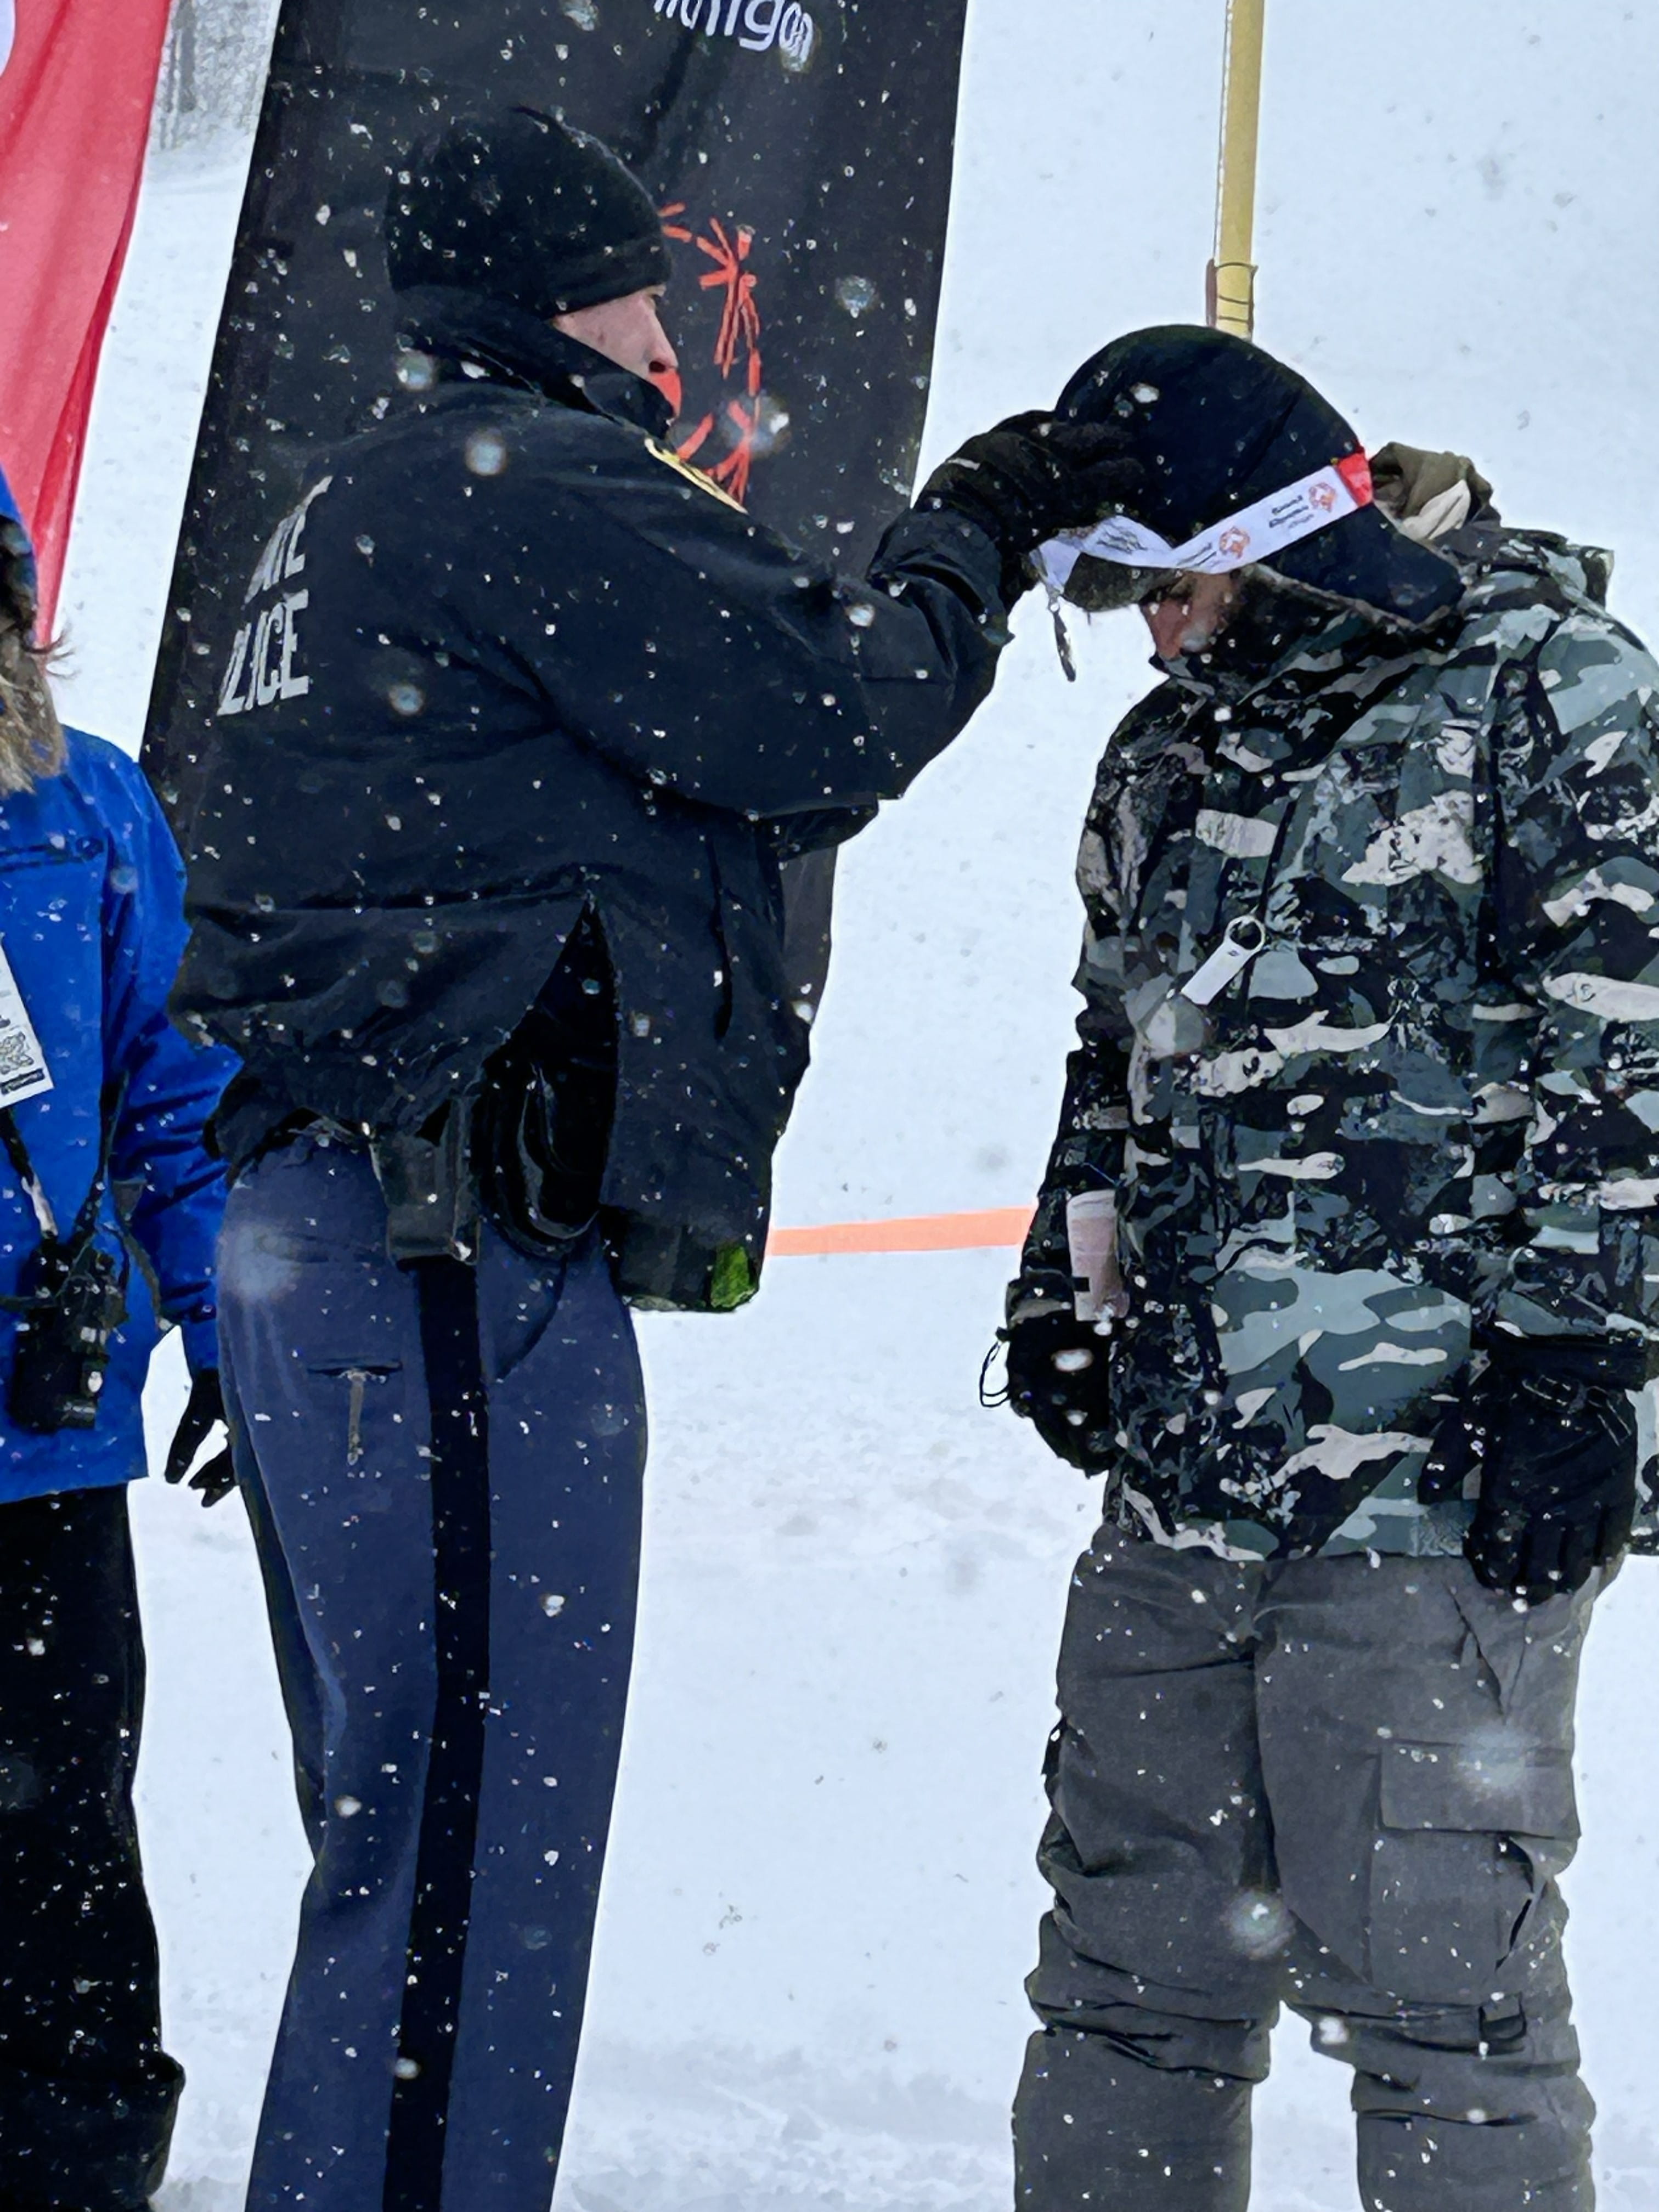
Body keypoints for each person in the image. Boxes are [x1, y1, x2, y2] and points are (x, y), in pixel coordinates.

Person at [171, 108, 1133, 2212]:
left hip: (342, 1230)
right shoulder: (531, 487)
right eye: (643, 284)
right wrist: (972, 526)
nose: (674, 323)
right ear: (557, 298)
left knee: (413, 1831)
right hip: (446, 1247)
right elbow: (823, 718)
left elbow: (256, 890)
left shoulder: (344, 506)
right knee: (465, 1856)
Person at [1000, 325, 1658, 2212]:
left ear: (1283, 534)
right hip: (1185, 1486)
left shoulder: (1555, 697)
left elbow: (1629, 1052)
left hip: (1442, 1491)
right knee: (1127, 1986)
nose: (1153, 635)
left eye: (1172, 582)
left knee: (1446, 2007)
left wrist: (1573, 1366)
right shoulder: (1162, 759)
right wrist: (1062, 1280)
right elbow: (1113, 1045)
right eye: (1118, 596)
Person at [0, 466, 236, 2211]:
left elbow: (177, 1092)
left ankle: (75, 2168)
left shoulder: (88, 811)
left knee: (59, 1832)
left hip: (41, 1432)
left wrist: (236, 1328)